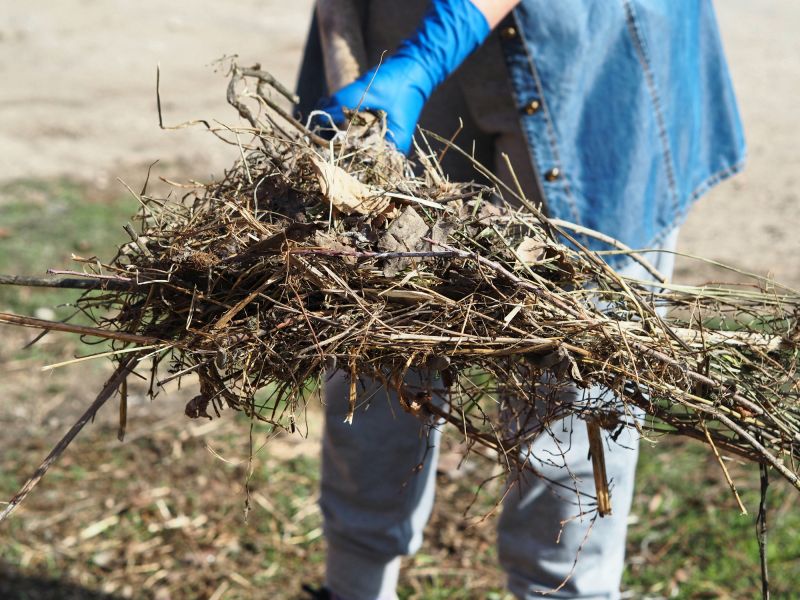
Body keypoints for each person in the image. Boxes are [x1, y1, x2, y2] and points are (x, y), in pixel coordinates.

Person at [295, 1, 745, 598]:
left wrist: (426, 55)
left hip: (589, 47)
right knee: (377, 338)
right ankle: (353, 585)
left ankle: (564, 588)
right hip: (397, 29)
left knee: (573, 379)